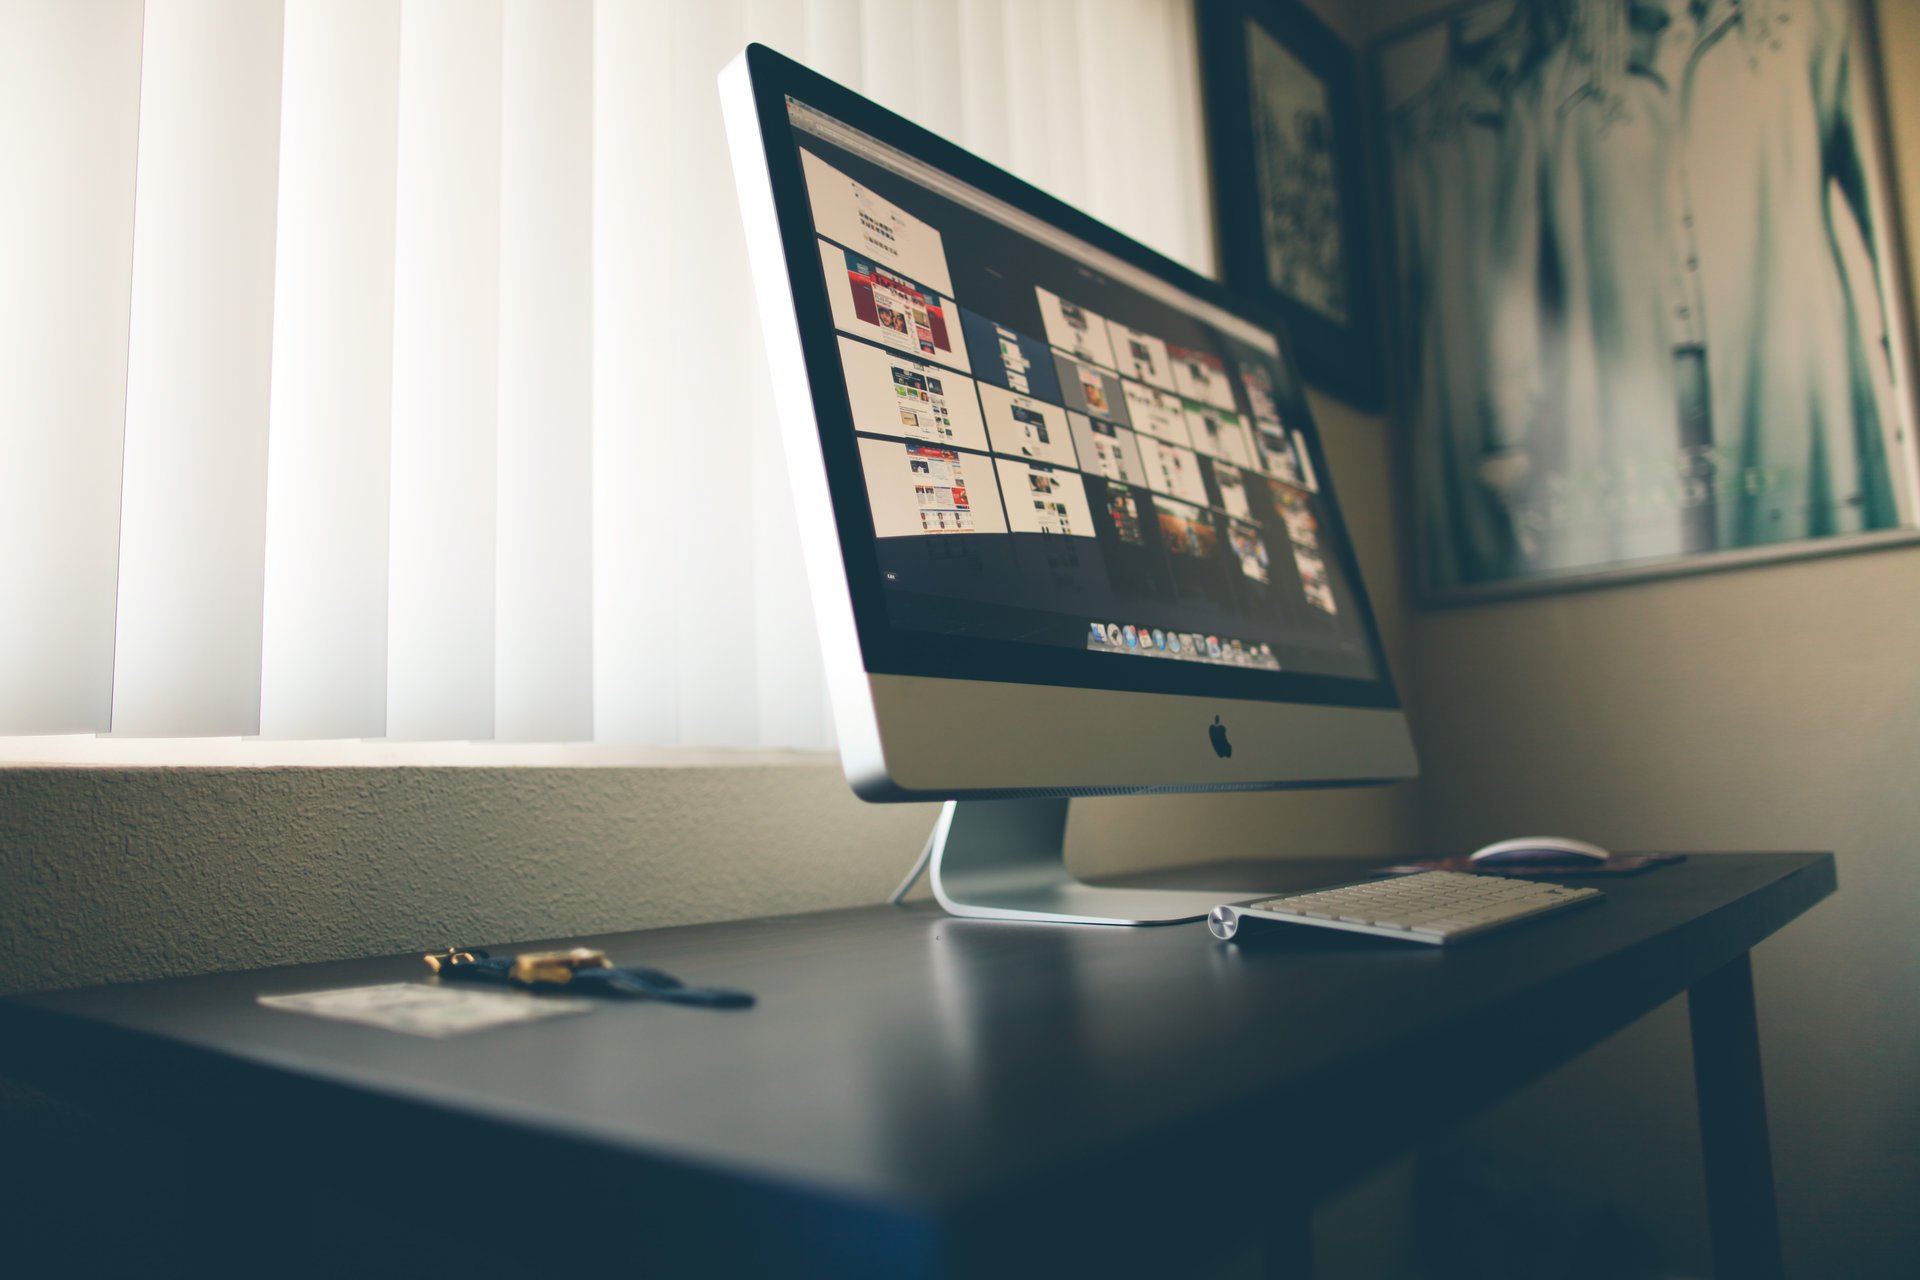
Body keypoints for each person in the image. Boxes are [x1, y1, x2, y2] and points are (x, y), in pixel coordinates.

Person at [1682, 0, 1899, 545]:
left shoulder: (1810, 23)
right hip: (1661, 391)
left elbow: (1884, 213)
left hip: (1789, 363)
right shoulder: (1579, 65)